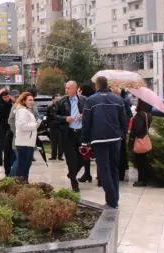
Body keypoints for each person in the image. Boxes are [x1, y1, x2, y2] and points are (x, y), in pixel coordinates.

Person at [82, 76, 129, 209]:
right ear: (106, 84)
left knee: (104, 169)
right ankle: (114, 198)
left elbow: (86, 122)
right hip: (115, 139)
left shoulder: (91, 100)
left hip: (99, 139)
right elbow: (124, 120)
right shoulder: (118, 99)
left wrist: (84, 141)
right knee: (114, 168)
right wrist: (122, 134)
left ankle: (112, 199)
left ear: (97, 85)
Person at [55, 81, 88, 192]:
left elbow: (91, 113)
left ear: (75, 89)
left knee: (84, 157)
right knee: (71, 160)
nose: (66, 90)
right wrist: (65, 119)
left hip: (81, 133)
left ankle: (72, 174)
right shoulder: (61, 101)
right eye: (66, 88)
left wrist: (84, 115)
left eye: (68, 88)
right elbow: (54, 117)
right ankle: (74, 184)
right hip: (68, 134)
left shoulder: (84, 100)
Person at [13, 92, 40, 182]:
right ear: (24, 101)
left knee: (26, 166)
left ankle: (24, 185)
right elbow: (22, 126)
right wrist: (35, 125)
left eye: (33, 100)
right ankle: (18, 186)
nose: (32, 102)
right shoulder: (22, 111)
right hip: (23, 143)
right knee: (22, 167)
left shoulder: (27, 111)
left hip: (29, 143)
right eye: (30, 100)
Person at [130, 99, 152, 187]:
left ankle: (142, 180)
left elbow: (136, 129)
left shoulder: (140, 115)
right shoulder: (148, 115)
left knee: (140, 161)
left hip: (140, 139)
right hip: (145, 138)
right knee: (143, 160)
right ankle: (143, 179)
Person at [0, 89, 13, 172]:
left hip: (8, 127)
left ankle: (9, 163)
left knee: (8, 146)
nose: (6, 98)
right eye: (4, 97)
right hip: (0, 126)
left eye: (7, 97)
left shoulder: (11, 104)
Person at [46, 95, 63, 161]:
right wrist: (48, 126)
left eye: (58, 99)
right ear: (52, 100)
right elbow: (48, 117)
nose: (57, 100)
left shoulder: (61, 107)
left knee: (60, 142)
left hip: (60, 127)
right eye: (55, 99)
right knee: (53, 142)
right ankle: (53, 156)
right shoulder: (50, 107)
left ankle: (60, 156)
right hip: (53, 127)